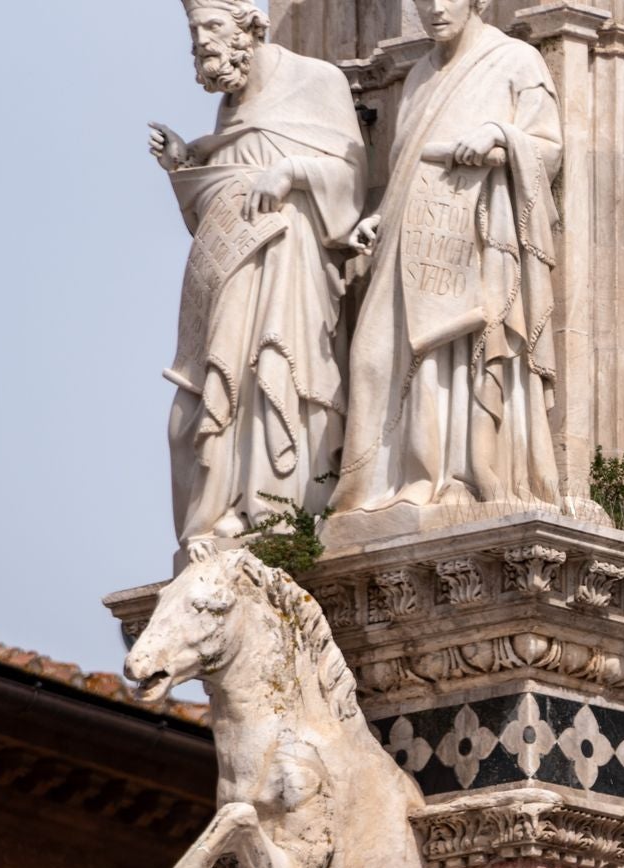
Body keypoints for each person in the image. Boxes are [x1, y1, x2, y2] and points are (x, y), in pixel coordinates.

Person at [332, 0, 565, 513]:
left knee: (456, 355)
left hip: (479, 239)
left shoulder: (516, 60)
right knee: (371, 359)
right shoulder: (418, 75)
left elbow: (548, 149)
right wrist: (381, 217)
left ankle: (454, 478)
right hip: (413, 236)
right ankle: (392, 482)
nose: (435, 9)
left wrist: (499, 135)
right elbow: (406, 168)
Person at [150, 1, 366, 543]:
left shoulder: (316, 80)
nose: (202, 40)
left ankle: (274, 510)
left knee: (275, 370)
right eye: (195, 30)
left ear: (249, 25)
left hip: (291, 262)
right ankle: (224, 505)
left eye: (213, 25)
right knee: (213, 392)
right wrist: (185, 166)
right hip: (231, 270)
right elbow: (221, 205)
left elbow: (352, 180)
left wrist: (292, 171)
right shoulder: (230, 107)